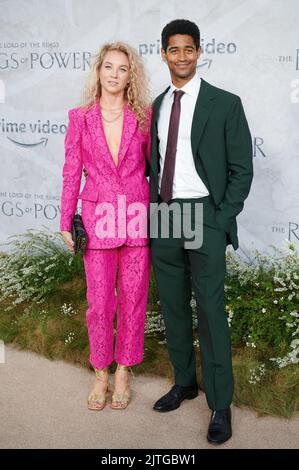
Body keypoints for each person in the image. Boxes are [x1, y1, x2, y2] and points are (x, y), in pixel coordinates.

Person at [149, 19, 253, 444]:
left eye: (188, 49)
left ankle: (220, 403)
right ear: (163, 54)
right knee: (172, 305)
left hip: (204, 215)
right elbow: (155, 162)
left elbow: (242, 170)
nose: (182, 56)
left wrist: (220, 217)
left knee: (209, 311)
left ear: (199, 51)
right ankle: (184, 382)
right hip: (165, 214)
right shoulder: (157, 104)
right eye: (174, 50)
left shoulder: (225, 103)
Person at [60, 42, 151, 411]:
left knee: (133, 300)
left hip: (135, 219)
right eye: (108, 67)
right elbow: (71, 171)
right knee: (99, 303)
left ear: (131, 76)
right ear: (98, 71)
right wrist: (66, 219)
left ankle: (124, 370)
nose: (114, 74)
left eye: (122, 69)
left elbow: (153, 168)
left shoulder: (143, 116)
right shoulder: (79, 117)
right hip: (97, 220)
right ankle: (100, 370)